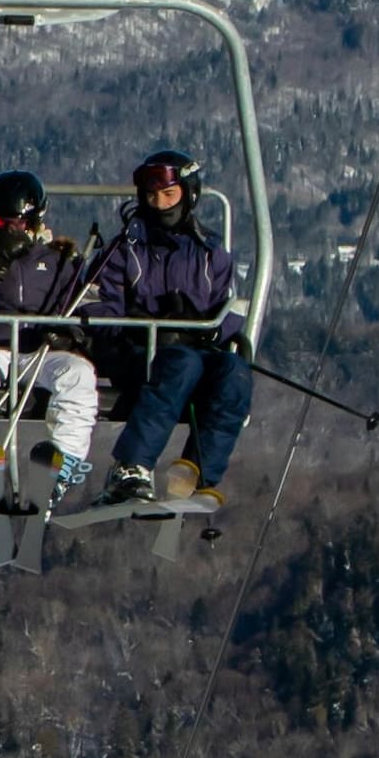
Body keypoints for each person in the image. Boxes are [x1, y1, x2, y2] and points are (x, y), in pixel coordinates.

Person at [86, 147, 253, 502]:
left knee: (234, 373)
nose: (160, 204)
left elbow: (230, 309)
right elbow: (97, 308)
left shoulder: (209, 251)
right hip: (134, 351)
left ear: (189, 195)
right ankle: (130, 466)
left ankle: (198, 475)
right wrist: (141, 326)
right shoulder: (125, 249)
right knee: (181, 364)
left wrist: (205, 326)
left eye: (169, 194)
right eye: (151, 196)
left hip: (192, 350)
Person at [0, 173, 98, 509]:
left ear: (37, 218)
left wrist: (67, 334)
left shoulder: (60, 260)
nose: (11, 229)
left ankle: (62, 460)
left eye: (20, 222)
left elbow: (82, 310)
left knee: (78, 374)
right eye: (1, 221)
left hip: (42, 351)